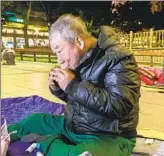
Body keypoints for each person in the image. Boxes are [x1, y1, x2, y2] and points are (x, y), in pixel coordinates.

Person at [7, 14, 141, 156]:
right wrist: (59, 88)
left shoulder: (119, 58)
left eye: (59, 51)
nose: (60, 60)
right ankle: (8, 137)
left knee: (82, 154)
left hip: (109, 135)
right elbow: (80, 100)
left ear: (79, 42)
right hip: (74, 126)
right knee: (33, 121)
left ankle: (45, 142)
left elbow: (120, 105)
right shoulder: (79, 56)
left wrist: (73, 85)